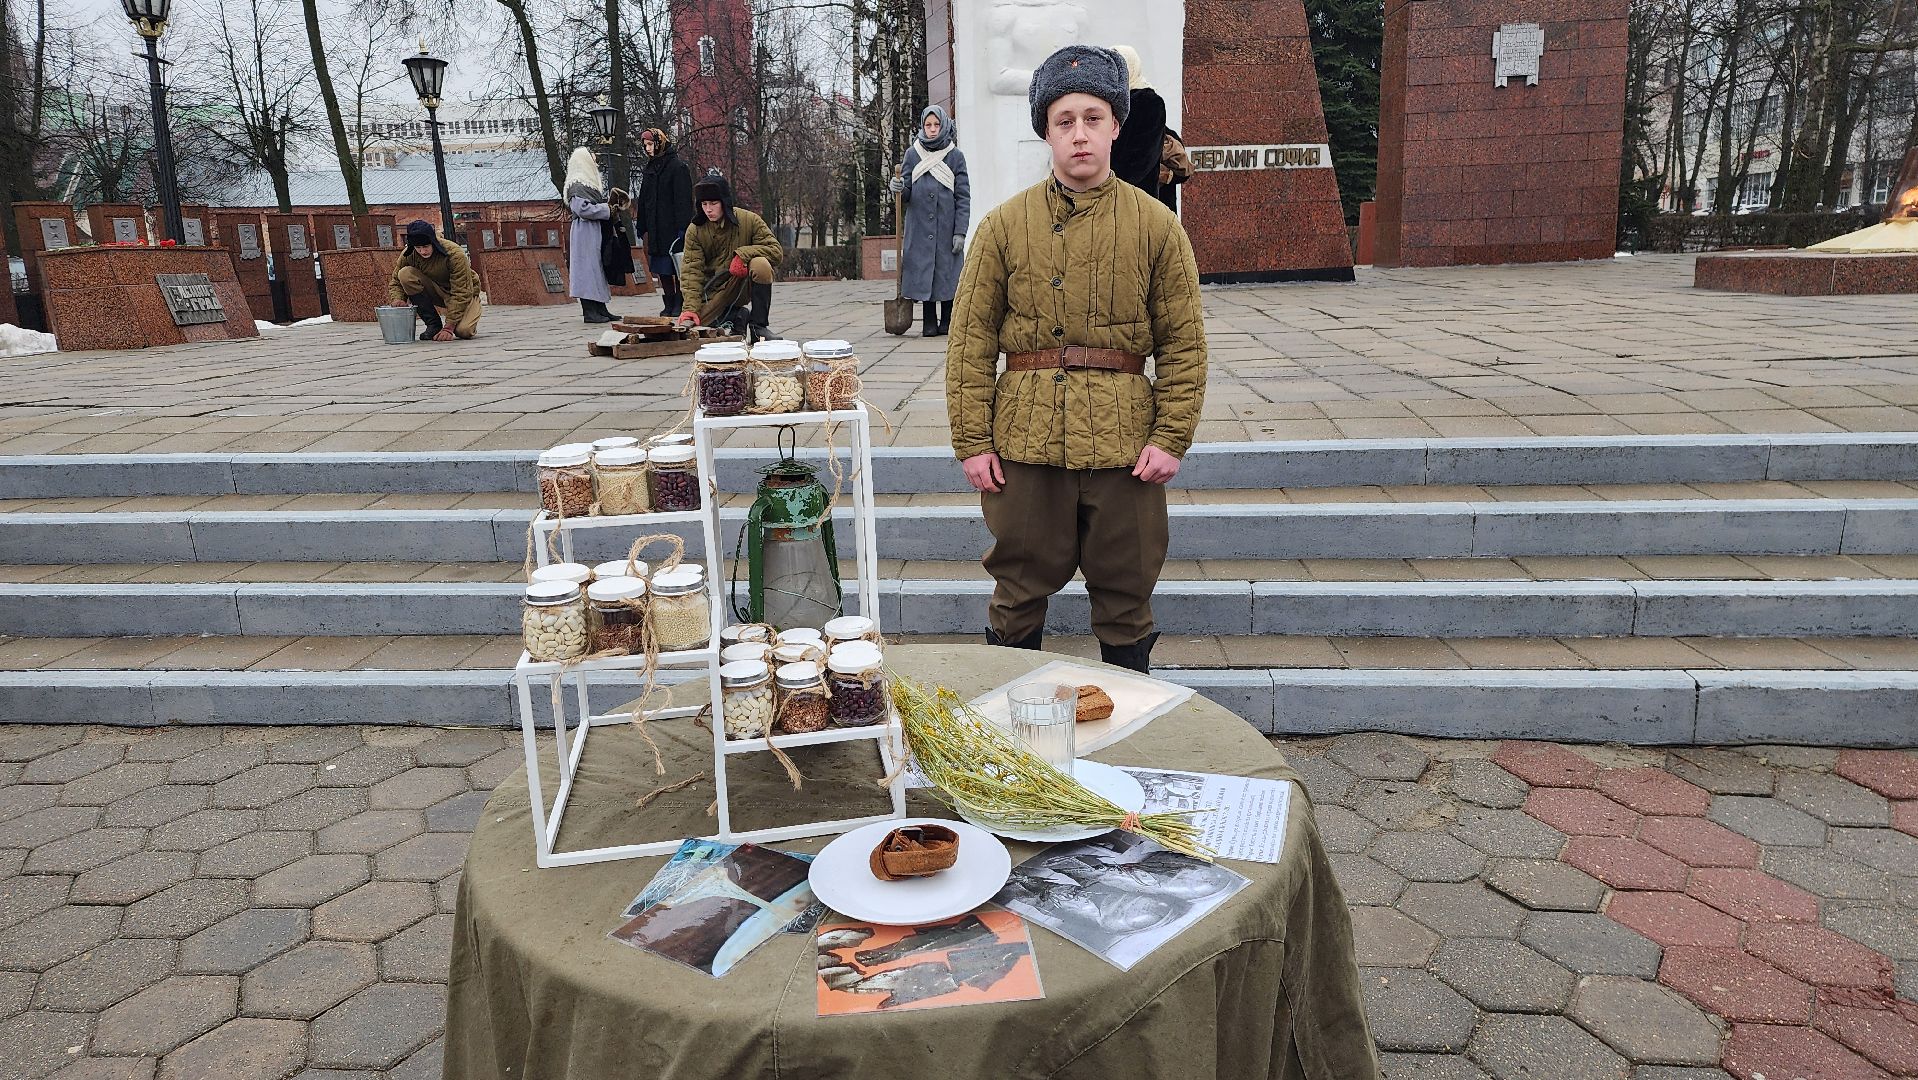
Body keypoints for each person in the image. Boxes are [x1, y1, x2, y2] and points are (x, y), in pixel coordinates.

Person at [944, 44, 1207, 674]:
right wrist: (971, 441)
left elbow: (1183, 342)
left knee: (1126, 590)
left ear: (1117, 125)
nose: (1080, 134)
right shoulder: (1003, 227)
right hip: (1027, 441)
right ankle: (1007, 737)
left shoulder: (1156, 227)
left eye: (1093, 118)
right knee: (1018, 590)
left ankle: (1128, 734)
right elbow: (971, 342)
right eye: (1065, 121)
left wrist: (1172, 436)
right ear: (1046, 132)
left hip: (1126, 448)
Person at [888, 105, 971, 337]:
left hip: (946, 229)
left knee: (946, 275)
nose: (932, 129)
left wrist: (960, 232)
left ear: (943, 125)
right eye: (928, 125)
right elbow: (905, 193)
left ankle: (947, 320)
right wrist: (897, 187)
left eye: (936, 125)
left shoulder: (955, 156)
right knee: (924, 275)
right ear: (923, 126)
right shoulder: (912, 155)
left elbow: (963, 196)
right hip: (920, 229)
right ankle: (928, 322)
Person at [674, 171, 784, 344]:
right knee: (694, 329)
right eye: (704, 203)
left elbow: (775, 251)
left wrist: (743, 255)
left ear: (724, 202)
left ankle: (758, 328)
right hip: (713, 291)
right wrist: (690, 309)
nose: (708, 209)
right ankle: (737, 316)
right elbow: (691, 272)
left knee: (761, 264)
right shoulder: (695, 230)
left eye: (713, 203)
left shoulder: (749, 220)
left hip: (742, 284)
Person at [634, 126, 695, 318]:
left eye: (651, 144)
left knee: (676, 266)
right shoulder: (650, 168)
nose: (648, 149)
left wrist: (683, 227)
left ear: (660, 143)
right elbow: (643, 199)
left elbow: (684, 200)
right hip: (656, 227)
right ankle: (669, 302)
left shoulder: (677, 167)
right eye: (645, 145)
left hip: (672, 227)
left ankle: (680, 301)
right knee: (662, 268)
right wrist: (641, 224)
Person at [387, 219, 482, 341]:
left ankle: (468, 313)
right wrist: (398, 298)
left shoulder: (454, 254)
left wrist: (449, 327)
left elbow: (462, 292)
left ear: (433, 242)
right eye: (418, 247)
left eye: (426, 246)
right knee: (405, 274)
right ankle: (433, 325)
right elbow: (396, 280)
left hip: (465, 293)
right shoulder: (409, 254)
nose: (423, 251)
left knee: (463, 331)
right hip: (437, 290)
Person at [564, 147, 626, 324]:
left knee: (596, 270)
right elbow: (581, 209)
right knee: (587, 271)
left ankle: (600, 308)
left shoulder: (587, 183)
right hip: (584, 231)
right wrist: (606, 209)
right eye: (592, 158)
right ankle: (590, 311)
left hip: (594, 230)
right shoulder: (576, 184)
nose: (595, 160)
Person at [1109, 45, 1168, 201]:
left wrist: (1109, 188)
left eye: (1119, 68)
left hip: (1134, 198)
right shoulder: (1106, 102)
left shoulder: (1149, 102)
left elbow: (1142, 158)